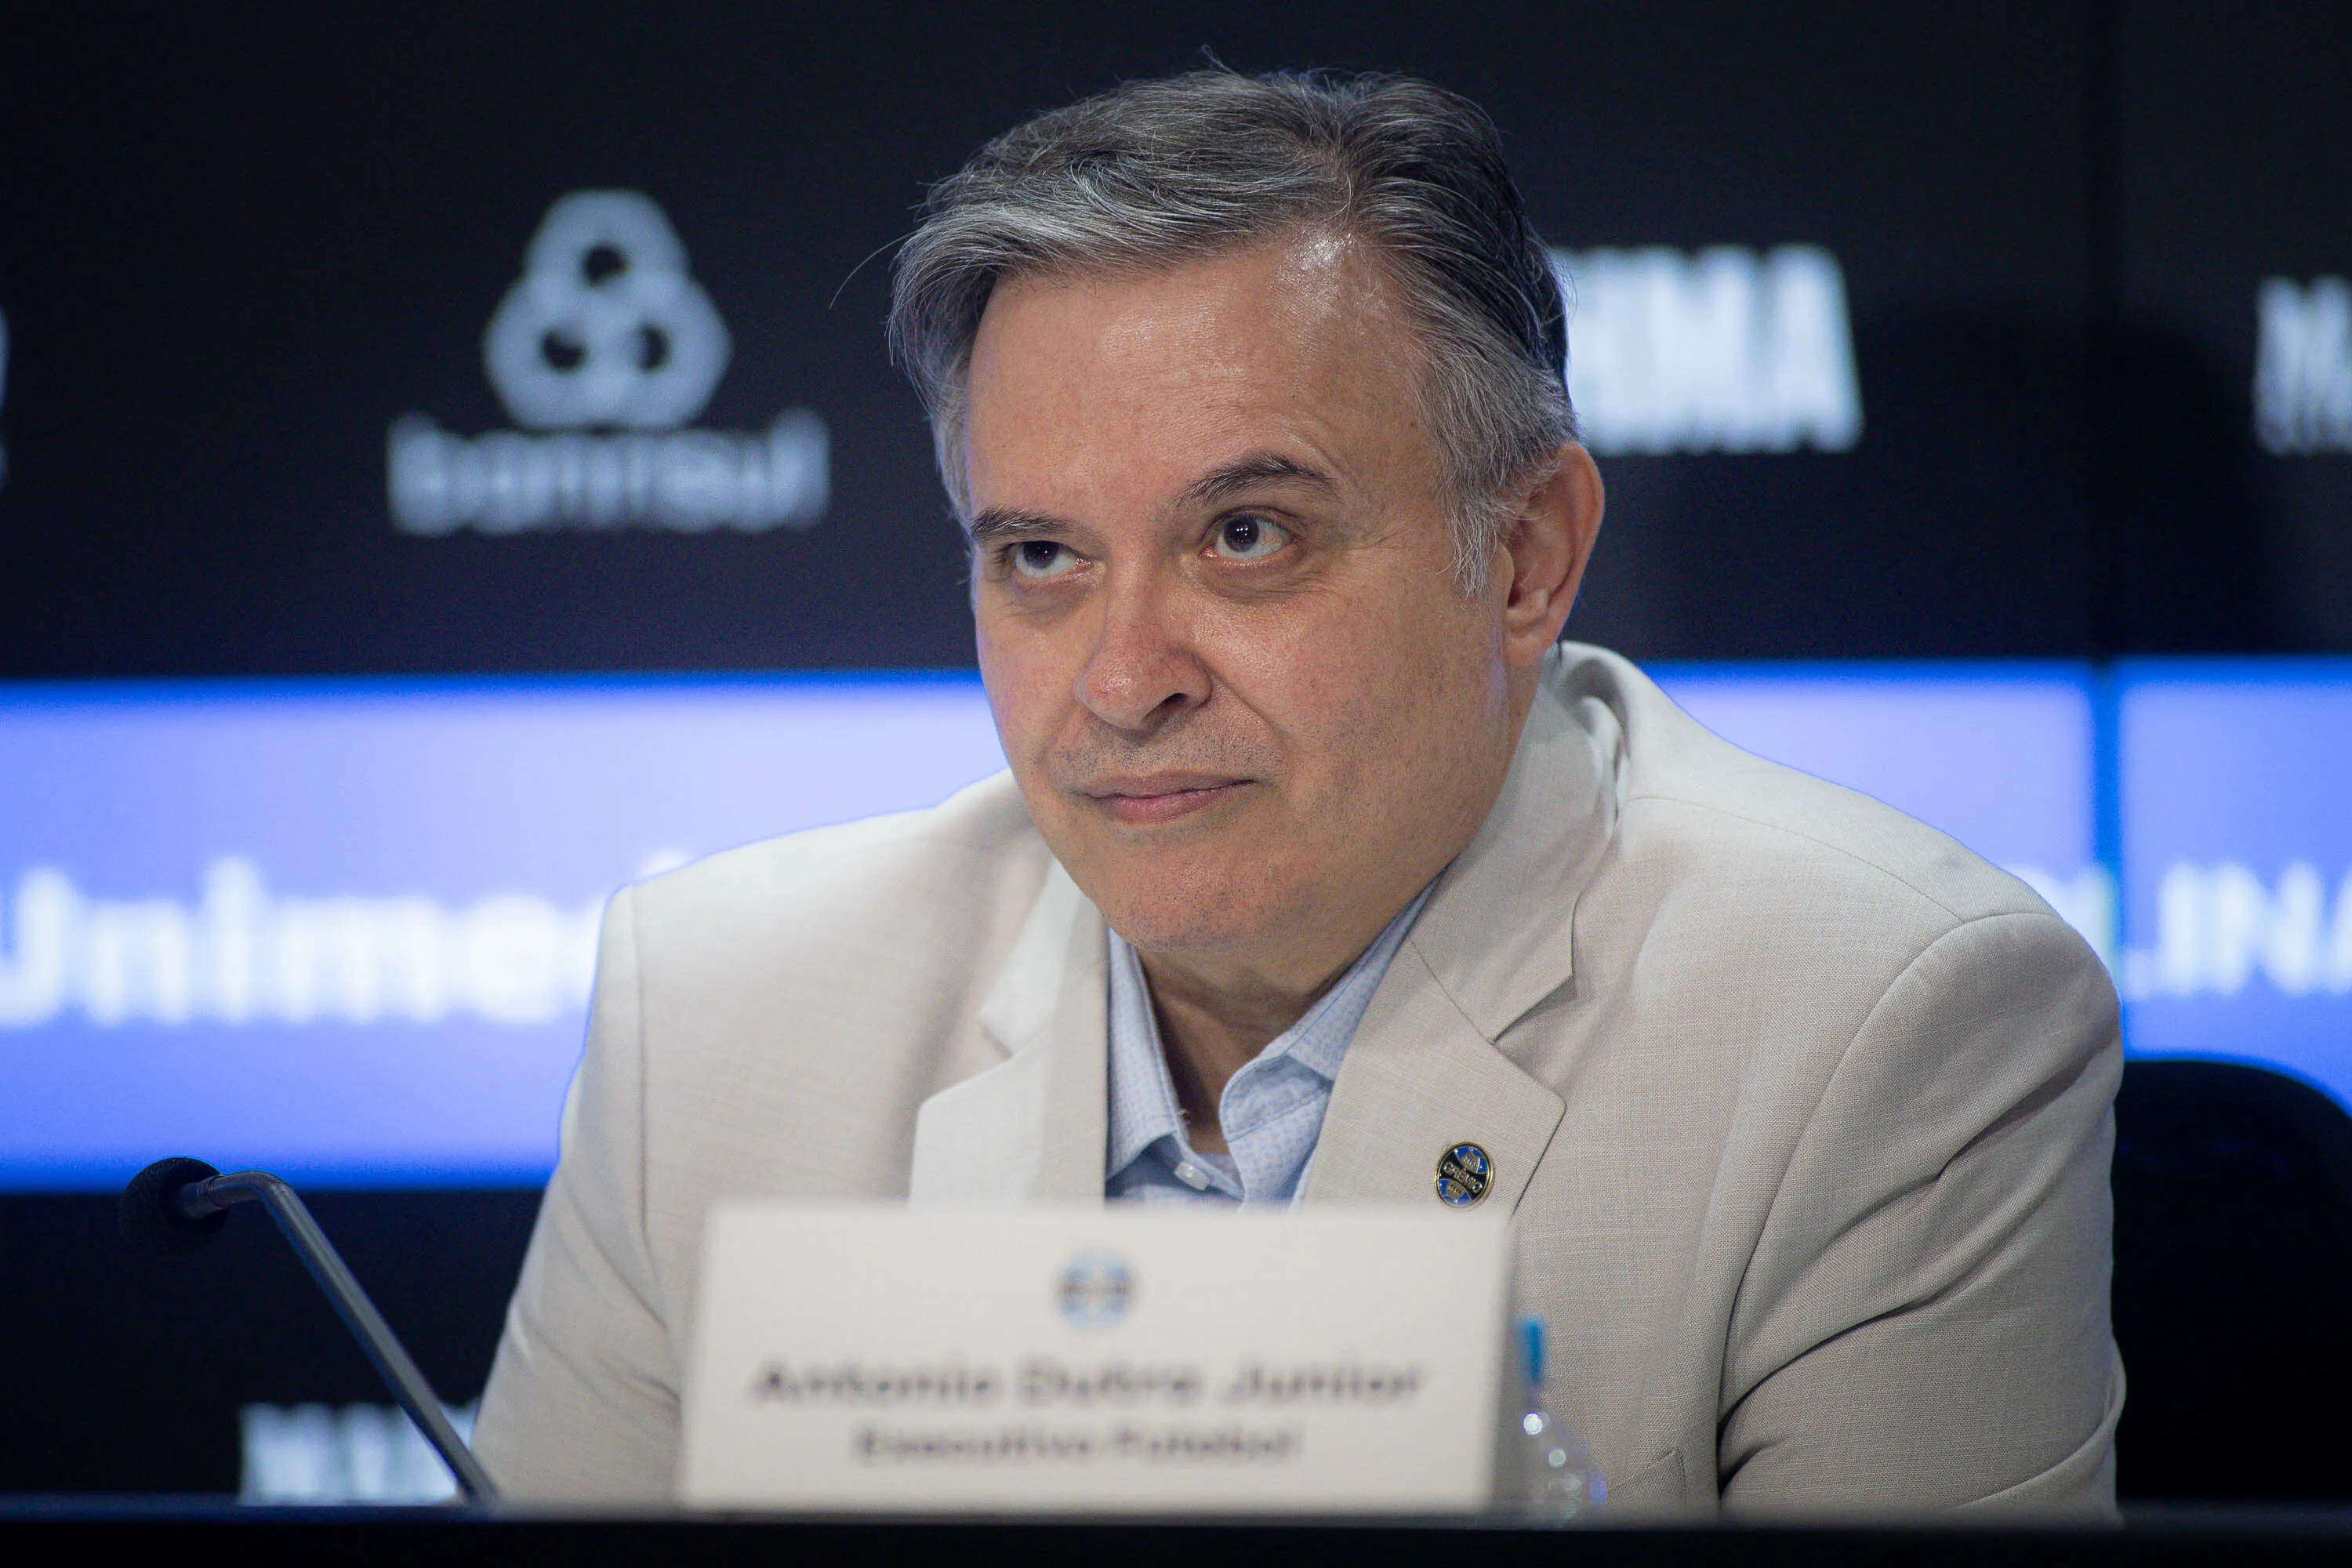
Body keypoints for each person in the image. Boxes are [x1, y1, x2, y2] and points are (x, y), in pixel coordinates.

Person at [474, 67, 2122, 1515]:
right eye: (1041, 557)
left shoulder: (1877, 1023)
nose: (1125, 680)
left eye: (1245, 536)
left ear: (1526, 557)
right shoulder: (712, 1024)